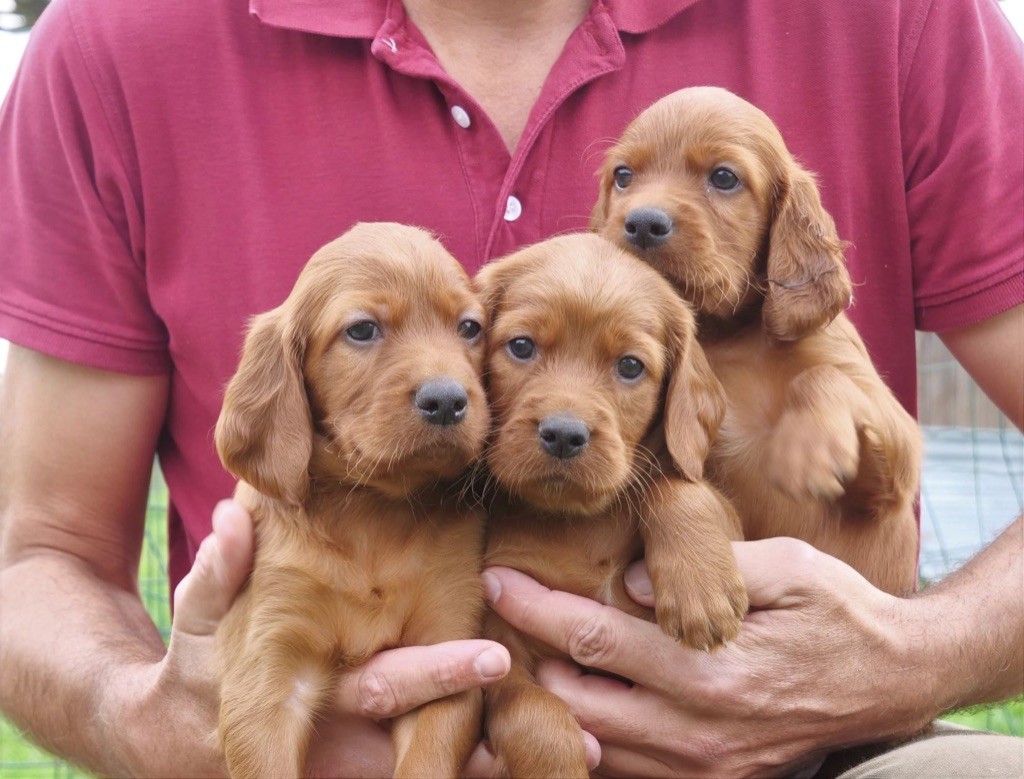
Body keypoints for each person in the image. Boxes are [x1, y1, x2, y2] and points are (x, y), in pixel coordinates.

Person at [0, 0, 1020, 776]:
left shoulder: (896, 15)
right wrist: (148, 714)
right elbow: (36, 551)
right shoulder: (118, 43)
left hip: (820, 753)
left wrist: (908, 656)